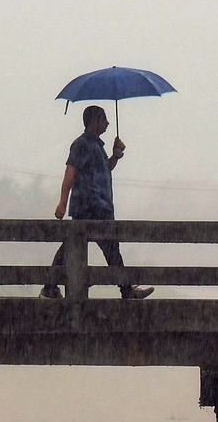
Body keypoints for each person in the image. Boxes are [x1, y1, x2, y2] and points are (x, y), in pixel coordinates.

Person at [40, 105, 154, 300]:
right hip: (89, 205)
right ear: (94, 122)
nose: (108, 123)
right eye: (104, 120)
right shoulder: (82, 144)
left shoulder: (97, 147)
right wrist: (62, 202)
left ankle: (50, 287)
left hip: (100, 205)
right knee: (103, 248)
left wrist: (116, 155)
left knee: (74, 247)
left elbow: (104, 169)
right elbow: (71, 171)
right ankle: (126, 290)